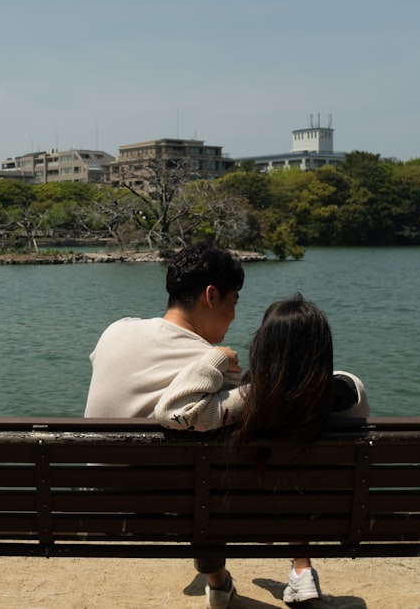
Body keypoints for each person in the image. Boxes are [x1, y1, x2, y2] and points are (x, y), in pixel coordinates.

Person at [155, 293, 369, 605]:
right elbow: (325, 387)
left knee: (211, 498)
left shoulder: (246, 402)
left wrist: (215, 360)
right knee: (297, 481)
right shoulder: (352, 394)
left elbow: (174, 413)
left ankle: (217, 583)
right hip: (323, 514)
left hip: (231, 519)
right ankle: (303, 570)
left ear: (263, 348)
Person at [85, 242, 246, 609]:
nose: (235, 316)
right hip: (176, 513)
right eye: (233, 303)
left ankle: (219, 581)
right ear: (211, 295)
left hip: (94, 502)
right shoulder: (213, 366)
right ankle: (219, 582)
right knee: (212, 479)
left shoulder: (115, 331)